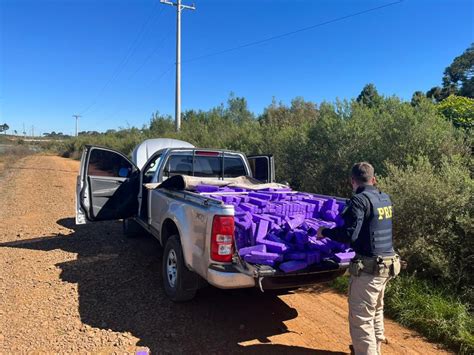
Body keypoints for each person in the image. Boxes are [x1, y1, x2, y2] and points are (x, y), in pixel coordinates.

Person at [317, 162, 400, 355]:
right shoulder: (384, 198)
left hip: (370, 269)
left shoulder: (358, 201)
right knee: (376, 310)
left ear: (352, 181)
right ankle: (375, 348)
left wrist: (325, 232)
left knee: (361, 319)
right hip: (388, 264)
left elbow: (349, 235)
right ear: (374, 179)